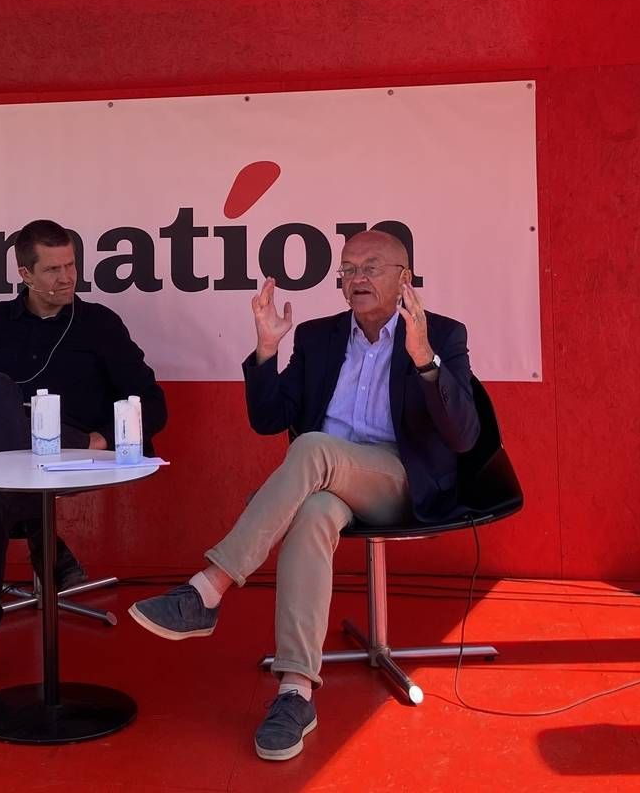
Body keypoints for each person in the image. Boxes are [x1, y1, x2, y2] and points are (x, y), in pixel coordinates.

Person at [128, 229, 479, 762]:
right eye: (348, 269)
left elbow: (464, 436)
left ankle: (208, 588)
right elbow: (270, 418)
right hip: (327, 482)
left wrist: (425, 358)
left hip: (399, 481)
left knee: (316, 449)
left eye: (371, 268)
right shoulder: (318, 337)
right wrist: (267, 349)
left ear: (404, 279)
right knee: (314, 510)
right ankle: (295, 691)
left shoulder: (441, 335)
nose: (356, 279)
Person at [0, 218, 167, 697]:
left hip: (73, 449)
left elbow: (153, 403)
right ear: (24, 274)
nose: (68, 278)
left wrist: (102, 440)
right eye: (52, 270)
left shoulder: (100, 325)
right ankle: (45, 542)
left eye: (71, 266)